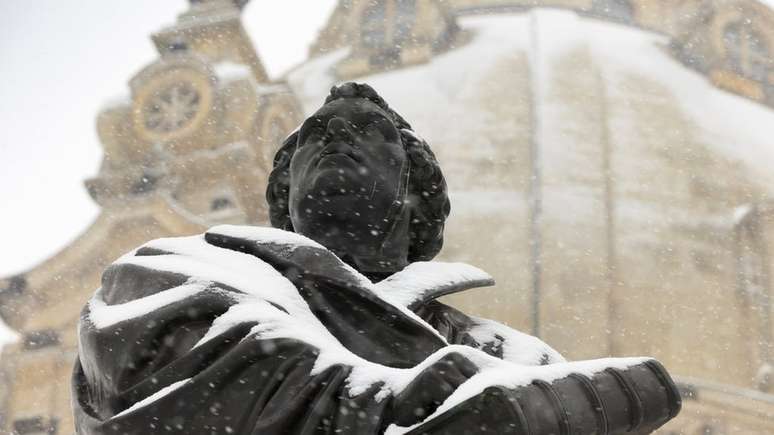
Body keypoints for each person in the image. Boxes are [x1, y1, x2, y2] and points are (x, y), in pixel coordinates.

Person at [72, 83, 681, 434]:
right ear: (283, 199)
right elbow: (238, 401)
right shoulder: (172, 273)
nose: (336, 137)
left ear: (419, 198)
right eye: (315, 135)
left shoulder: (514, 356)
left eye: (370, 131)